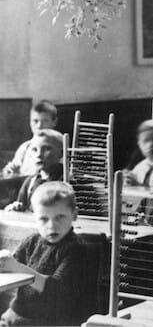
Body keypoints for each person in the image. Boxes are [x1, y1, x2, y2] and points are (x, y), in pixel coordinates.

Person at [0, 182, 85, 326]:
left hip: (50, 321)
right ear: (35, 218)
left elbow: (55, 290)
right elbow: (9, 266)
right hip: (17, 314)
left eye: (60, 217)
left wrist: (17, 267)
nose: (52, 226)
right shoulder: (31, 241)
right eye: (44, 219)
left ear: (74, 215)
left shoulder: (75, 248)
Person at [5, 129, 64, 212]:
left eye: (46, 149)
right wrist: (16, 208)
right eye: (34, 150)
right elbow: (21, 206)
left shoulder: (66, 180)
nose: (39, 155)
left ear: (61, 153)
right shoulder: (30, 182)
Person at [3, 100, 58, 176]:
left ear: (54, 122)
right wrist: (10, 169)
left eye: (45, 121)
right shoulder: (25, 147)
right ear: (30, 122)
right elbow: (15, 167)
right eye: (35, 121)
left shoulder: (58, 145)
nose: (39, 126)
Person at [123, 120, 153, 187]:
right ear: (139, 143)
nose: (150, 145)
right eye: (146, 140)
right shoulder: (140, 167)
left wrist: (138, 186)